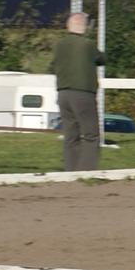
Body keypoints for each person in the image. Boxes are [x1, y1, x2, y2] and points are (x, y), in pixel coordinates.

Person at [50, 11, 104, 171]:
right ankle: (86, 172)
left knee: (70, 135)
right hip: (83, 93)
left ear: (68, 26)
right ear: (85, 27)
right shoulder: (88, 44)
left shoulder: (59, 45)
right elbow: (101, 59)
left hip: (63, 93)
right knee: (91, 134)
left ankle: (70, 171)